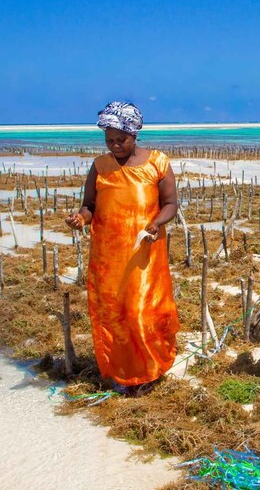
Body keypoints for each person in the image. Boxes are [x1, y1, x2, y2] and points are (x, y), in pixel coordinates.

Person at [65, 101, 180, 395]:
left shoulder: (157, 163)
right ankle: (121, 370)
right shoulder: (100, 166)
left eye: (121, 140)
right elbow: (90, 205)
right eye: (109, 140)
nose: (115, 145)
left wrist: (156, 224)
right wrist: (81, 218)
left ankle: (149, 370)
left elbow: (170, 204)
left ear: (134, 134)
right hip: (109, 256)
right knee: (114, 313)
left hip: (144, 252)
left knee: (143, 309)